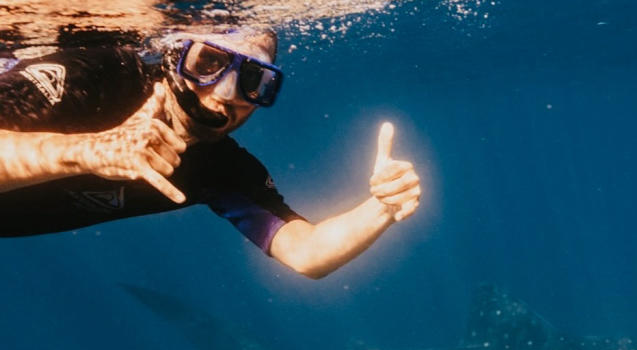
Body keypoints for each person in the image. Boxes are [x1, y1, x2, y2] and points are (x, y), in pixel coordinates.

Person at [0, 27, 421, 279]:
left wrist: (381, 209)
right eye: (208, 63)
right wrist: (89, 152)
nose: (224, 94)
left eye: (254, 81)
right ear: (172, 56)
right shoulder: (101, 76)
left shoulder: (219, 167)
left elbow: (306, 252)